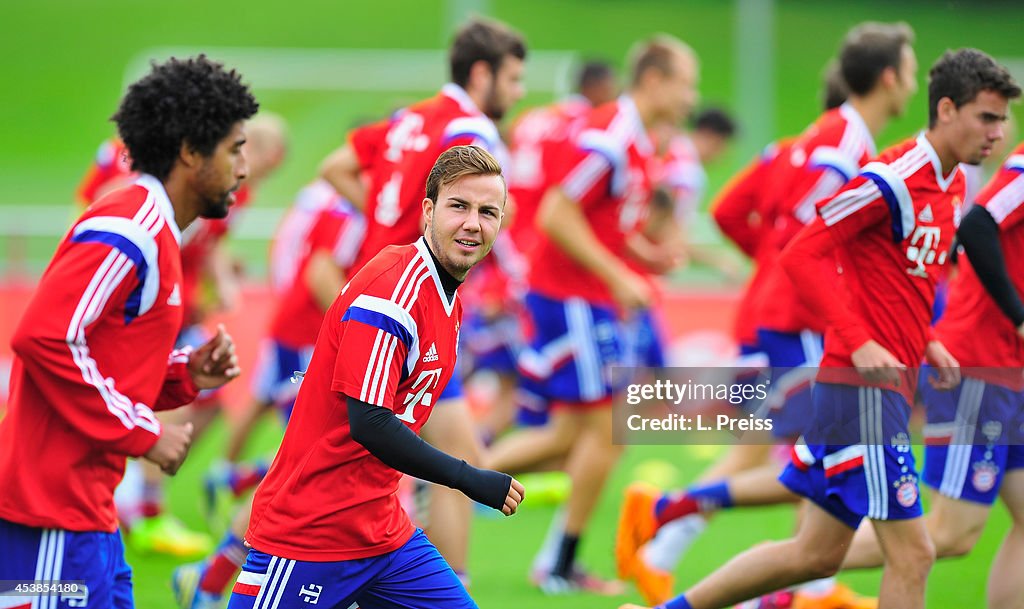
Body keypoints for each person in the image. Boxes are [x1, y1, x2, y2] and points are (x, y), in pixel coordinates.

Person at [620, 46, 1020, 609]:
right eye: (986, 117)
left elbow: (903, 278)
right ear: (947, 109)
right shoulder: (894, 175)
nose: (997, 133)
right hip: (862, 395)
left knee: (815, 554)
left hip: (880, 389)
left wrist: (926, 341)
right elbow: (804, 252)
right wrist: (859, 342)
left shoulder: (954, 185)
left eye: (1003, 120)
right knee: (916, 553)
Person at [0, 54, 254, 607]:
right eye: (235, 148)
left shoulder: (157, 231)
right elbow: (43, 338)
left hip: (89, 513)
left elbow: (103, 361)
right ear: (190, 151)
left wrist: (187, 372)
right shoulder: (131, 228)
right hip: (49, 515)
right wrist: (145, 434)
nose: (244, 168)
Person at [227, 145, 523, 609]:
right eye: (459, 206)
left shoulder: (448, 296)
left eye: (488, 212)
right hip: (312, 533)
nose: (473, 223)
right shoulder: (392, 291)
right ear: (428, 211)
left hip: (382, 533)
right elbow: (370, 423)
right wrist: (469, 479)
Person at [318, 16, 527, 579]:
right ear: (481, 74)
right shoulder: (471, 130)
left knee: (342, 457)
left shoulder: (409, 116)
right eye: (512, 78)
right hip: (410, 304)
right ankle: (440, 592)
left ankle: (222, 568)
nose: (518, 92)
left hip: (375, 288)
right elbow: (489, 210)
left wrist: (388, 223)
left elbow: (334, 166)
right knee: (458, 469)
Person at [495, 35, 699, 594]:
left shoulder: (633, 141)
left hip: (584, 297)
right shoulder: (612, 137)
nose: (692, 96)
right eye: (687, 82)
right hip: (572, 298)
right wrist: (619, 276)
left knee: (571, 437)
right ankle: (556, 560)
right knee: (611, 427)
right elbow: (558, 214)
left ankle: (442, 477)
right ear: (655, 80)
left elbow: (599, 223)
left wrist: (640, 254)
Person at [837, 141, 1024, 609]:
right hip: (981, 365)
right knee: (951, 533)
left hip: (1012, 371)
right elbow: (977, 225)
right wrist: (1018, 316)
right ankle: (798, 575)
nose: (998, 130)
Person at [173, 180, 365, 609]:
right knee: (313, 465)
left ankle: (218, 547)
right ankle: (214, 568)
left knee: (316, 462)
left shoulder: (335, 199)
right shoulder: (353, 208)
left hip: (306, 334)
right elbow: (320, 271)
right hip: (310, 339)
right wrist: (364, 333)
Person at [125, 112, 288, 558]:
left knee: (210, 400)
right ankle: (145, 508)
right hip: (165, 312)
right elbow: (164, 239)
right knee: (179, 399)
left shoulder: (235, 190)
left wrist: (222, 276)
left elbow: (202, 244)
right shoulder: (199, 187)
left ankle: (141, 488)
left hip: (183, 310)